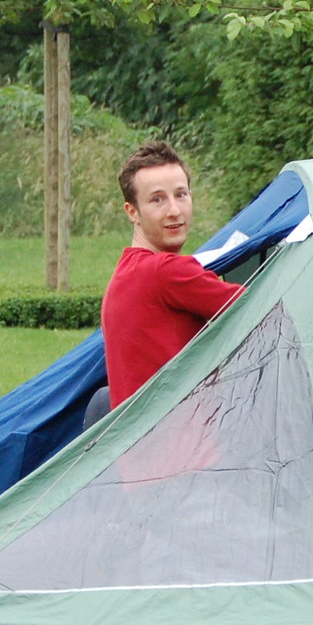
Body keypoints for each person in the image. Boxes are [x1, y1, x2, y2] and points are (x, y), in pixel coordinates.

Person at [83, 140, 242, 431]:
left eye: (180, 195)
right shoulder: (166, 271)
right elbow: (265, 303)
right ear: (132, 212)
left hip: (140, 458)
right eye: (157, 199)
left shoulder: (127, 271)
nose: (174, 210)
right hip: (183, 460)